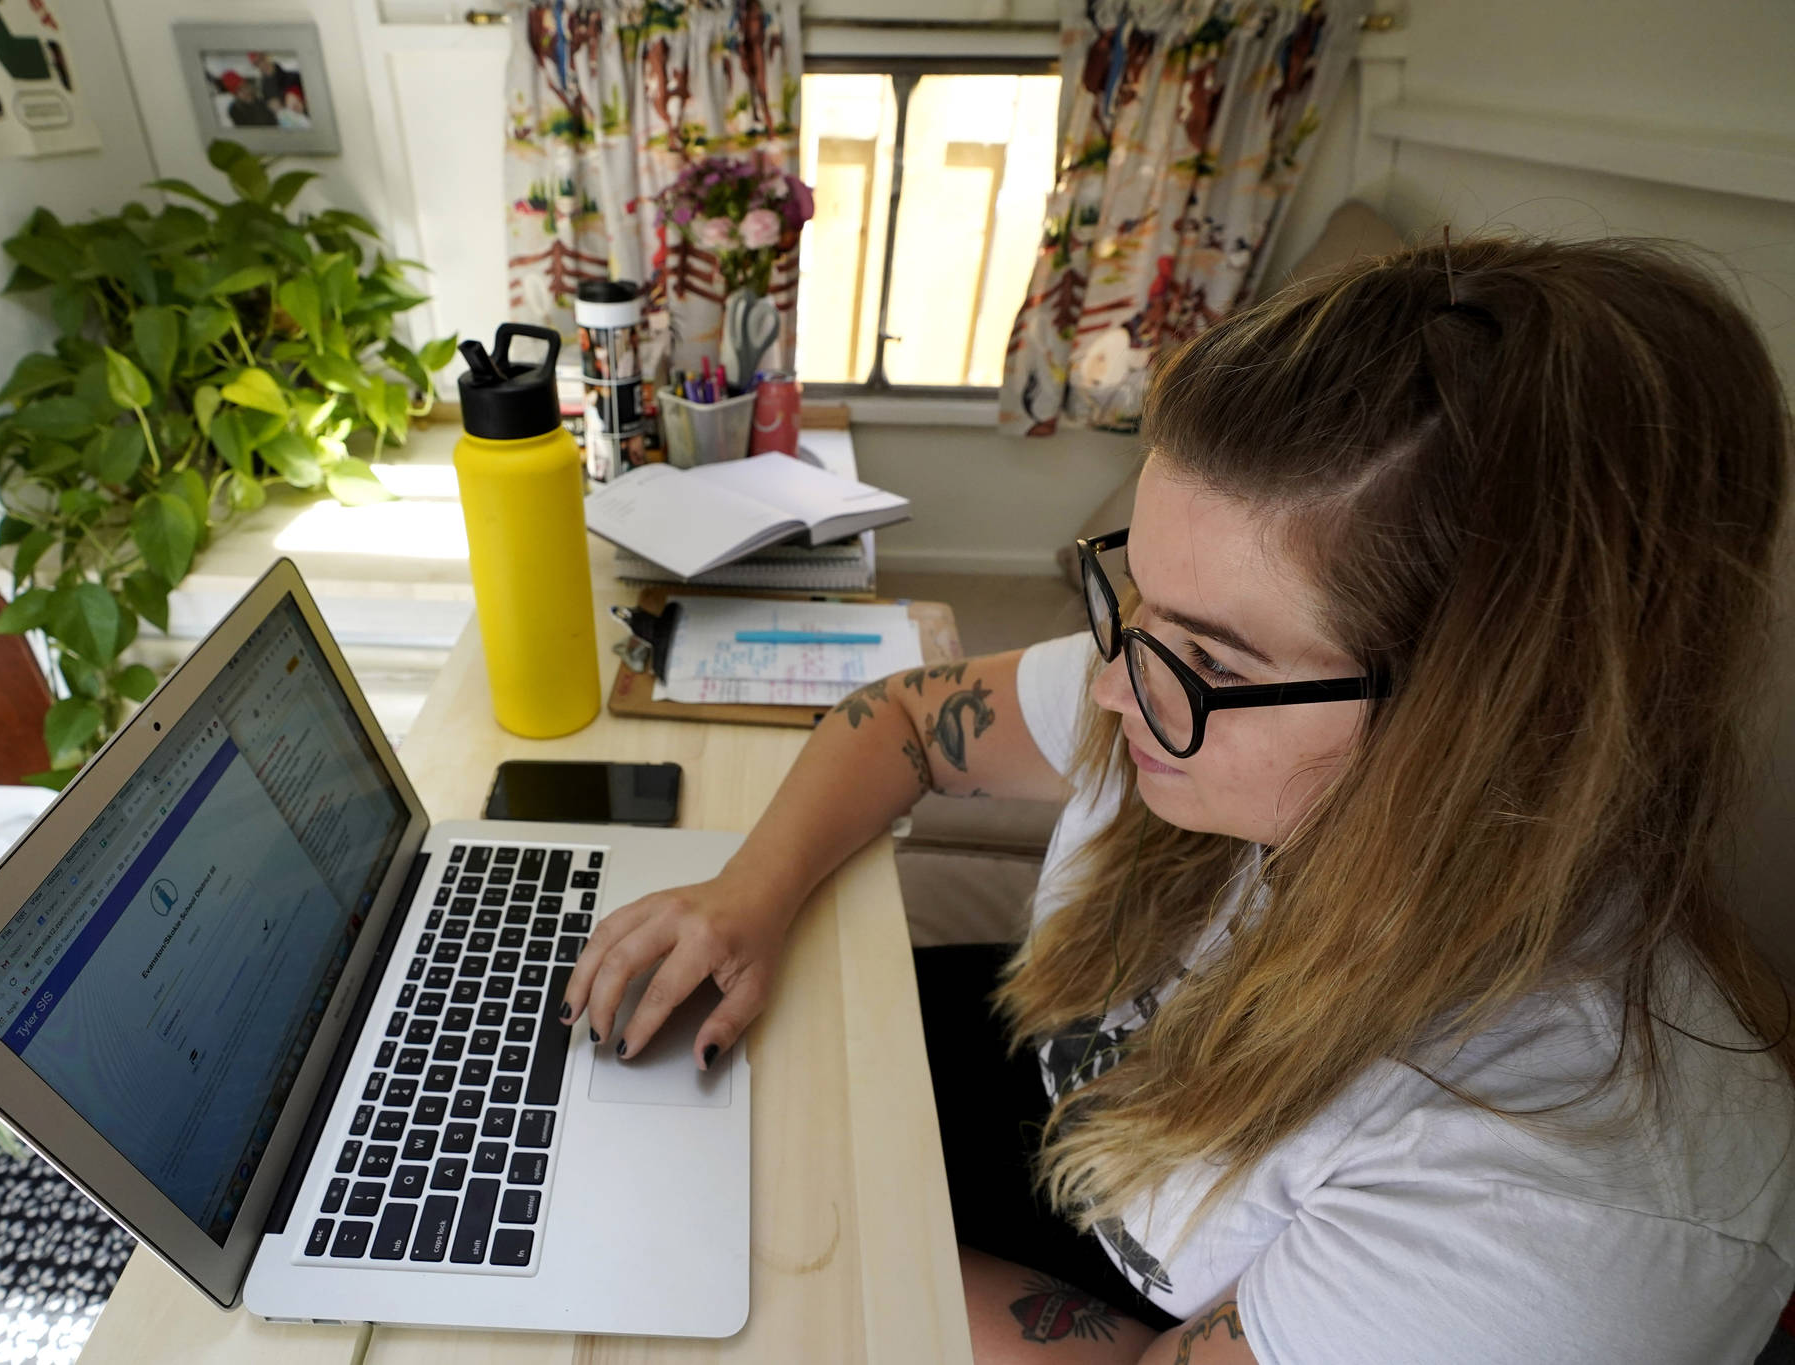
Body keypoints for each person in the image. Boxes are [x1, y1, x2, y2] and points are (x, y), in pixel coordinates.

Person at [562, 234, 1795, 1363]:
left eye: (1208, 657)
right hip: (1029, 1096)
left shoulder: (1554, 1213)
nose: (1108, 689)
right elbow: (896, 717)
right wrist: (745, 896)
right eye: (1136, 597)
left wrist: (788, 1246)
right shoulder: (1180, 705)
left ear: (1496, 720)